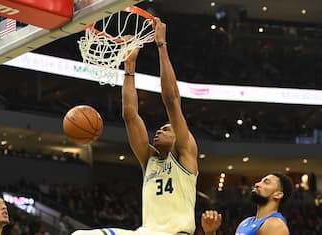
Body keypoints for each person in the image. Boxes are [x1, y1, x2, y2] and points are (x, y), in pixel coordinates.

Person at [72, 17, 198, 235]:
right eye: (160, 128)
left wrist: (161, 45)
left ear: (179, 137)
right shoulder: (149, 159)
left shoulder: (185, 156)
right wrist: (129, 65)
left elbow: (171, 100)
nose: (159, 130)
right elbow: (130, 115)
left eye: (167, 129)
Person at [202, 172, 293, 235]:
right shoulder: (245, 222)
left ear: (278, 194)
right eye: (260, 181)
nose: (257, 184)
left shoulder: (275, 225)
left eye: (266, 182)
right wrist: (210, 232)